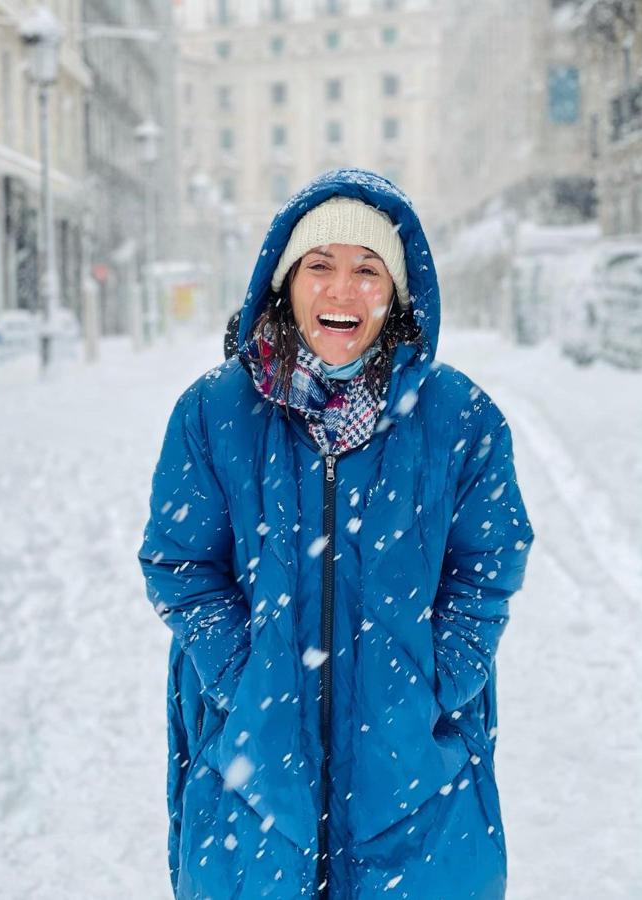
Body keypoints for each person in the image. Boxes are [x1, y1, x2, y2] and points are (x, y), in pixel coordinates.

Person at [138, 168, 534, 899]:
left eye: (367, 270)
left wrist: (441, 679)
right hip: (253, 781)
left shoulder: (459, 418)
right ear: (285, 282)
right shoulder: (215, 411)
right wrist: (245, 679)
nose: (342, 291)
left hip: (415, 777)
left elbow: (490, 558)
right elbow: (181, 563)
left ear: (400, 292)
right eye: (319, 267)